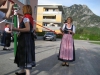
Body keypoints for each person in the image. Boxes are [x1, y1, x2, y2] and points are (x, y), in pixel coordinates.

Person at [12, 5, 35, 75]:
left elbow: (27, 29)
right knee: (23, 55)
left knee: (25, 55)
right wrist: (18, 14)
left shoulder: (26, 18)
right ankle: (22, 71)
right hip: (28, 39)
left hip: (25, 39)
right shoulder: (29, 17)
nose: (22, 10)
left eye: (23, 9)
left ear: (25, 9)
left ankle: (28, 73)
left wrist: (15, 29)